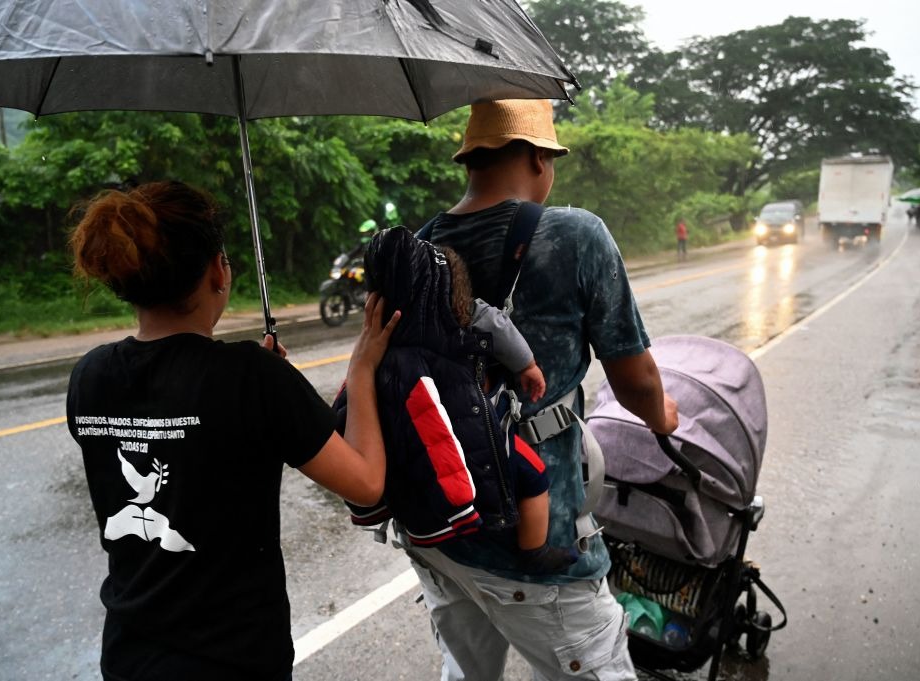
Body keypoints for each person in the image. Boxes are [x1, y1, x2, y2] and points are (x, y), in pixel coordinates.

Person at [65, 180, 398, 681]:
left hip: (130, 655)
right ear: (218, 271)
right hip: (236, 657)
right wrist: (362, 369)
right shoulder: (250, 377)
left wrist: (261, 395)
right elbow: (367, 482)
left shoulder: (89, 375)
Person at [410, 99, 679, 681]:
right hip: (537, 546)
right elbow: (635, 381)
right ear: (537, 157)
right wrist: (665, 418)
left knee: (465, 670)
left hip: (440, 530)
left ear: (471, 161)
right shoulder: (576, 235)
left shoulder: (421, 244)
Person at [339, 226, 578, 574]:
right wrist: (528, 366)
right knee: (535, 476)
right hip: (471, 436)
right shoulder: (462, 318)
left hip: (415, 474)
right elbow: (497, 324)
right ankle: (534, 550)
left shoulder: (378, 344)